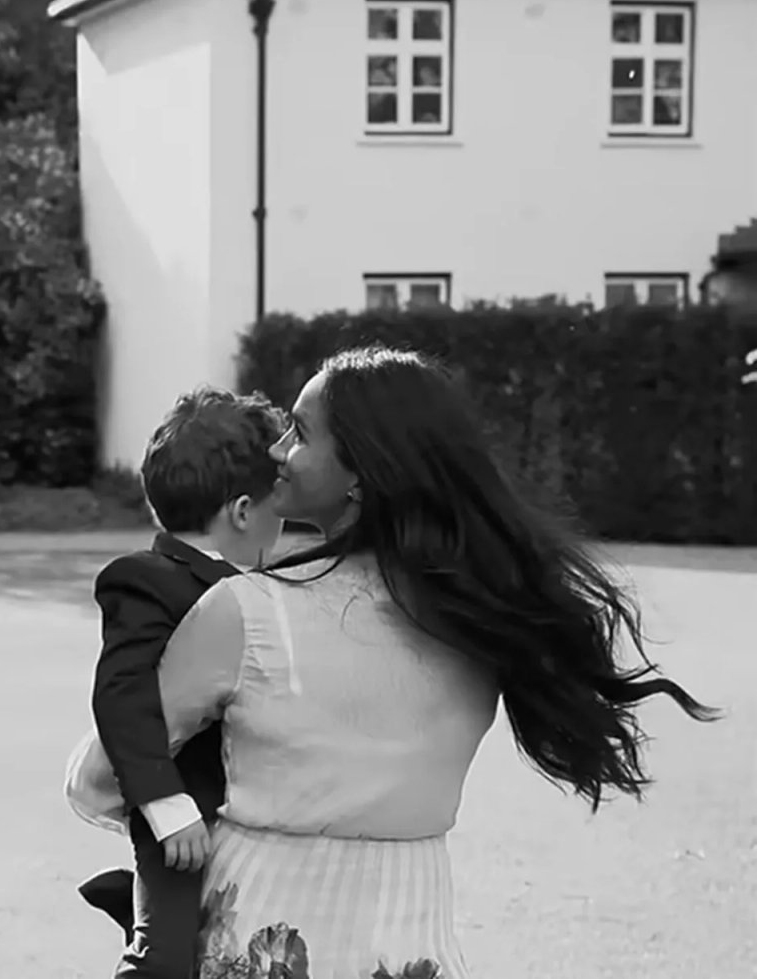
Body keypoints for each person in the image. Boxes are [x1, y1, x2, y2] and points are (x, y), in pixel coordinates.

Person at [68, 346, 717, 978]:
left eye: (298, 433)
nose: (275, 452)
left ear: (360, 471)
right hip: (412, 941)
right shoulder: (481, 616)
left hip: (262, 933)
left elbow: (100, 777)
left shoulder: (243, 612)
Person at [69, 387, 286, 978]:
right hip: (179, 821)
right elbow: (121, 697)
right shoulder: (146, 582)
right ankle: (141, 914)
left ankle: (132, 902)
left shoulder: (271, 590)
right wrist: (165, 805)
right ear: (243, 512)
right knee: (162, 963)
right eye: (278, 507)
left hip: (255, 815)